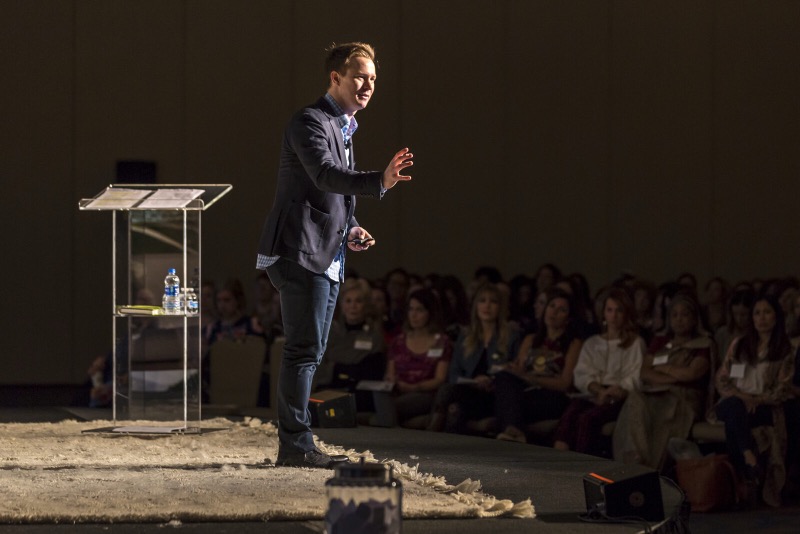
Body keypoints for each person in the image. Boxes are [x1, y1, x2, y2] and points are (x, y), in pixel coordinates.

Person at [255, 42, 414, 469]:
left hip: (324, 251)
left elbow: (330, 194)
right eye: (360, 76)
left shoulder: (342, 127)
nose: (368, 85)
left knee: (311, 349)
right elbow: (325, 174)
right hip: (298, 249)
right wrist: (378, 180)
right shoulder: (310, 121)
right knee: (303, 349)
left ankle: (299, 442)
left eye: (374, 79)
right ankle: (295, 446)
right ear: (336, 78)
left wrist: (353, 227)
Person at [612, 292, 712, 470]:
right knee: (635, 400)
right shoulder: (660, 341)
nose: (679, 319)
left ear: (695, 318)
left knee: (662, 421)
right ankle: (635, 460)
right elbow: (644, 372)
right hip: (657, 394)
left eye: (684, 314)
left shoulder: (704, 344)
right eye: (674, 315)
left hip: (684, 399)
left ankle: (650, 469)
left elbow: (692, 374)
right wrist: (674, 375)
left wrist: (663, 368)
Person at [714, 295, 795, 507]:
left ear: (776, 317)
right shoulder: (739, 345)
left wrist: (757, 400)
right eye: (757, 313)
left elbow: (782, 390)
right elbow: (722, 380)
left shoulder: (784, 351)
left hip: (764, 406)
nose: (762, 318)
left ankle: (744, 478)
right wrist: (744, 397)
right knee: (734, 407)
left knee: (734, 420)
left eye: (767, 312)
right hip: (735, 401)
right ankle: (749, 457)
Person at [553, 287, 644, 456]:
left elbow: (635, 374)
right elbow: (582, 373)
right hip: (594, 392)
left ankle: (583, 466)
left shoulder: (635, 343)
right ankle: (559, 459)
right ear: (603, 313)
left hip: (620, 398)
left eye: (619, 311)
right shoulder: (593, 343)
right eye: (609, 310)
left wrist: (614, 391)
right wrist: (598, 390)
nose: (614, 316)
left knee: (588, 419)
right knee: (572, 411)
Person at [428, 283, 520, 435]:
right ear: (475, 306)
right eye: (482, 301)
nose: (487, 306)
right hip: (469, 392)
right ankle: (439, 437)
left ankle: (432, 431)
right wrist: (474, 381)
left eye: (493, 302)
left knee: (453, 405)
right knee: (453, 406)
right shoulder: (466, 336)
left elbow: (515, 372)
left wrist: (491, 380)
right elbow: (453, 374)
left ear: (500, 307)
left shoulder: (511, 336)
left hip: (495, 396)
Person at [493, 288, 583, 443]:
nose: (554, 312)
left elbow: (565, 383)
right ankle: (515, 433)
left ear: (568, 318)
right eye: (552, 306)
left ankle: (513, 431)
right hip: (526, 391)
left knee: (508, 402)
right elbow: (519, 369)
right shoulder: (530, 339)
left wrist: (531, 378)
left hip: (552, 396)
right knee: (503, 379)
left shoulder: (574, 343)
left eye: (561, 310)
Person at [312, 277, 386, 412]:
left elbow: (372, 372)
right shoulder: (330, 332)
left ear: (366, 305)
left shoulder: (374, 335)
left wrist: (337, 368)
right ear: (342, 304)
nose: (353, 306)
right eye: (348, 301)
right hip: (328, 389)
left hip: (359, 393)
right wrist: (348, 370)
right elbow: (320, 369)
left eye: (358, 301)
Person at [384, 288, 452, 427]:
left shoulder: (441, 342)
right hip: (398, 391)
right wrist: (393, 381)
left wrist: (413, 387)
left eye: (420, 310)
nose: (413, 315)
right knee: (382, 405)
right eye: (411, 309)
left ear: (430, 313)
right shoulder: (398, 341)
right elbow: (390, 374)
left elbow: (440, 379)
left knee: (389, 410)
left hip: (426, 394)